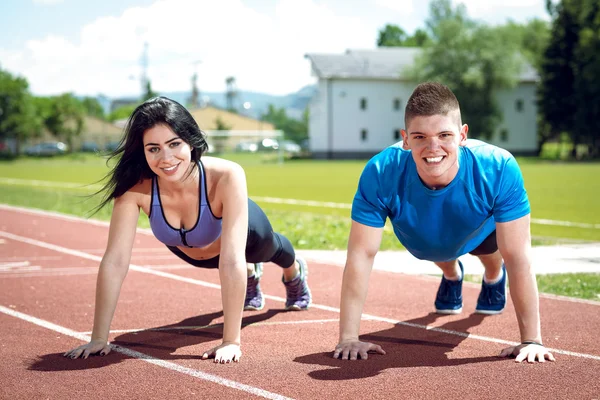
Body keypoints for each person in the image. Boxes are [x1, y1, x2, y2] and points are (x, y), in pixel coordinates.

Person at [63, 97, 311, 364]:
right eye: (153, 148)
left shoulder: (227, 174)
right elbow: (115, 260)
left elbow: (230, 260)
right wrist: (99, 337)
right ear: (142, 152)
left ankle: (294, 273)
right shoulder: (134, 188)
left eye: (174, 144)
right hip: (195, 253)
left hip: (247, 237)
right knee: (238, 264)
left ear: (191, 141)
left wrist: (231, 341)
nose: (166, 158)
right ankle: (250, 276)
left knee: (272, 250)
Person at [333, 82, 555, 364]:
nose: (433, 147)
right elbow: (361, 254)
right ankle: (452, 275)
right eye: (420, 136)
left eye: (444, 135)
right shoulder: (380, 172)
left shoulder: (498, 167)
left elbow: (519, 256)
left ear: (463, 135)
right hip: (423, 235)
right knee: (435, 247)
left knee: (494, 256)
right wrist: (349, 338)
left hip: (479, 228)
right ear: (405, 139)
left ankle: (492, 277)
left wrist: (531, 340)